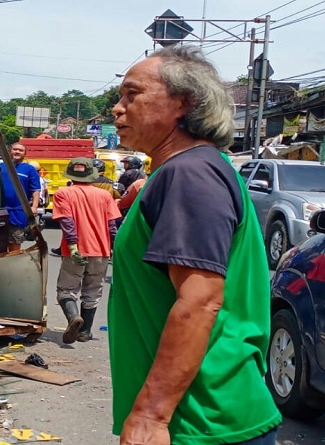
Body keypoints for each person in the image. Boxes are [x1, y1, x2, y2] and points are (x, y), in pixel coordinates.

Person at [108, 46, 281, 445]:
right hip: (202, 418)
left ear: (183, 103)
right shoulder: (184, 170)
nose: (118, 109)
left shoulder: (191, 172)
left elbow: (200, 300)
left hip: (203, 421)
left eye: (132, 94)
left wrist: (151, 413)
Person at [53, 157, 120, 344]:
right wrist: (115, 247)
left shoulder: (63, 193)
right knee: (93, 291)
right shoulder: (104, 195)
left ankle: (73, 318)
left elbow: (67, 221)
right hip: (101, 250)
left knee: (66, 289)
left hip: (76, 251)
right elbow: (111, 226)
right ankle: (84, 332)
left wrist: (73, 246)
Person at [1, 142, 41, 252]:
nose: (17, 152)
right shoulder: (0, 167)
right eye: (15, 149)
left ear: (24, 154)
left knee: (14, 242)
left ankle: (12, 266)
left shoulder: (29, 169)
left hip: (18, 212)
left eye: (20, 150)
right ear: (10, 151)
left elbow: (35, 190)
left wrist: (34, 207)